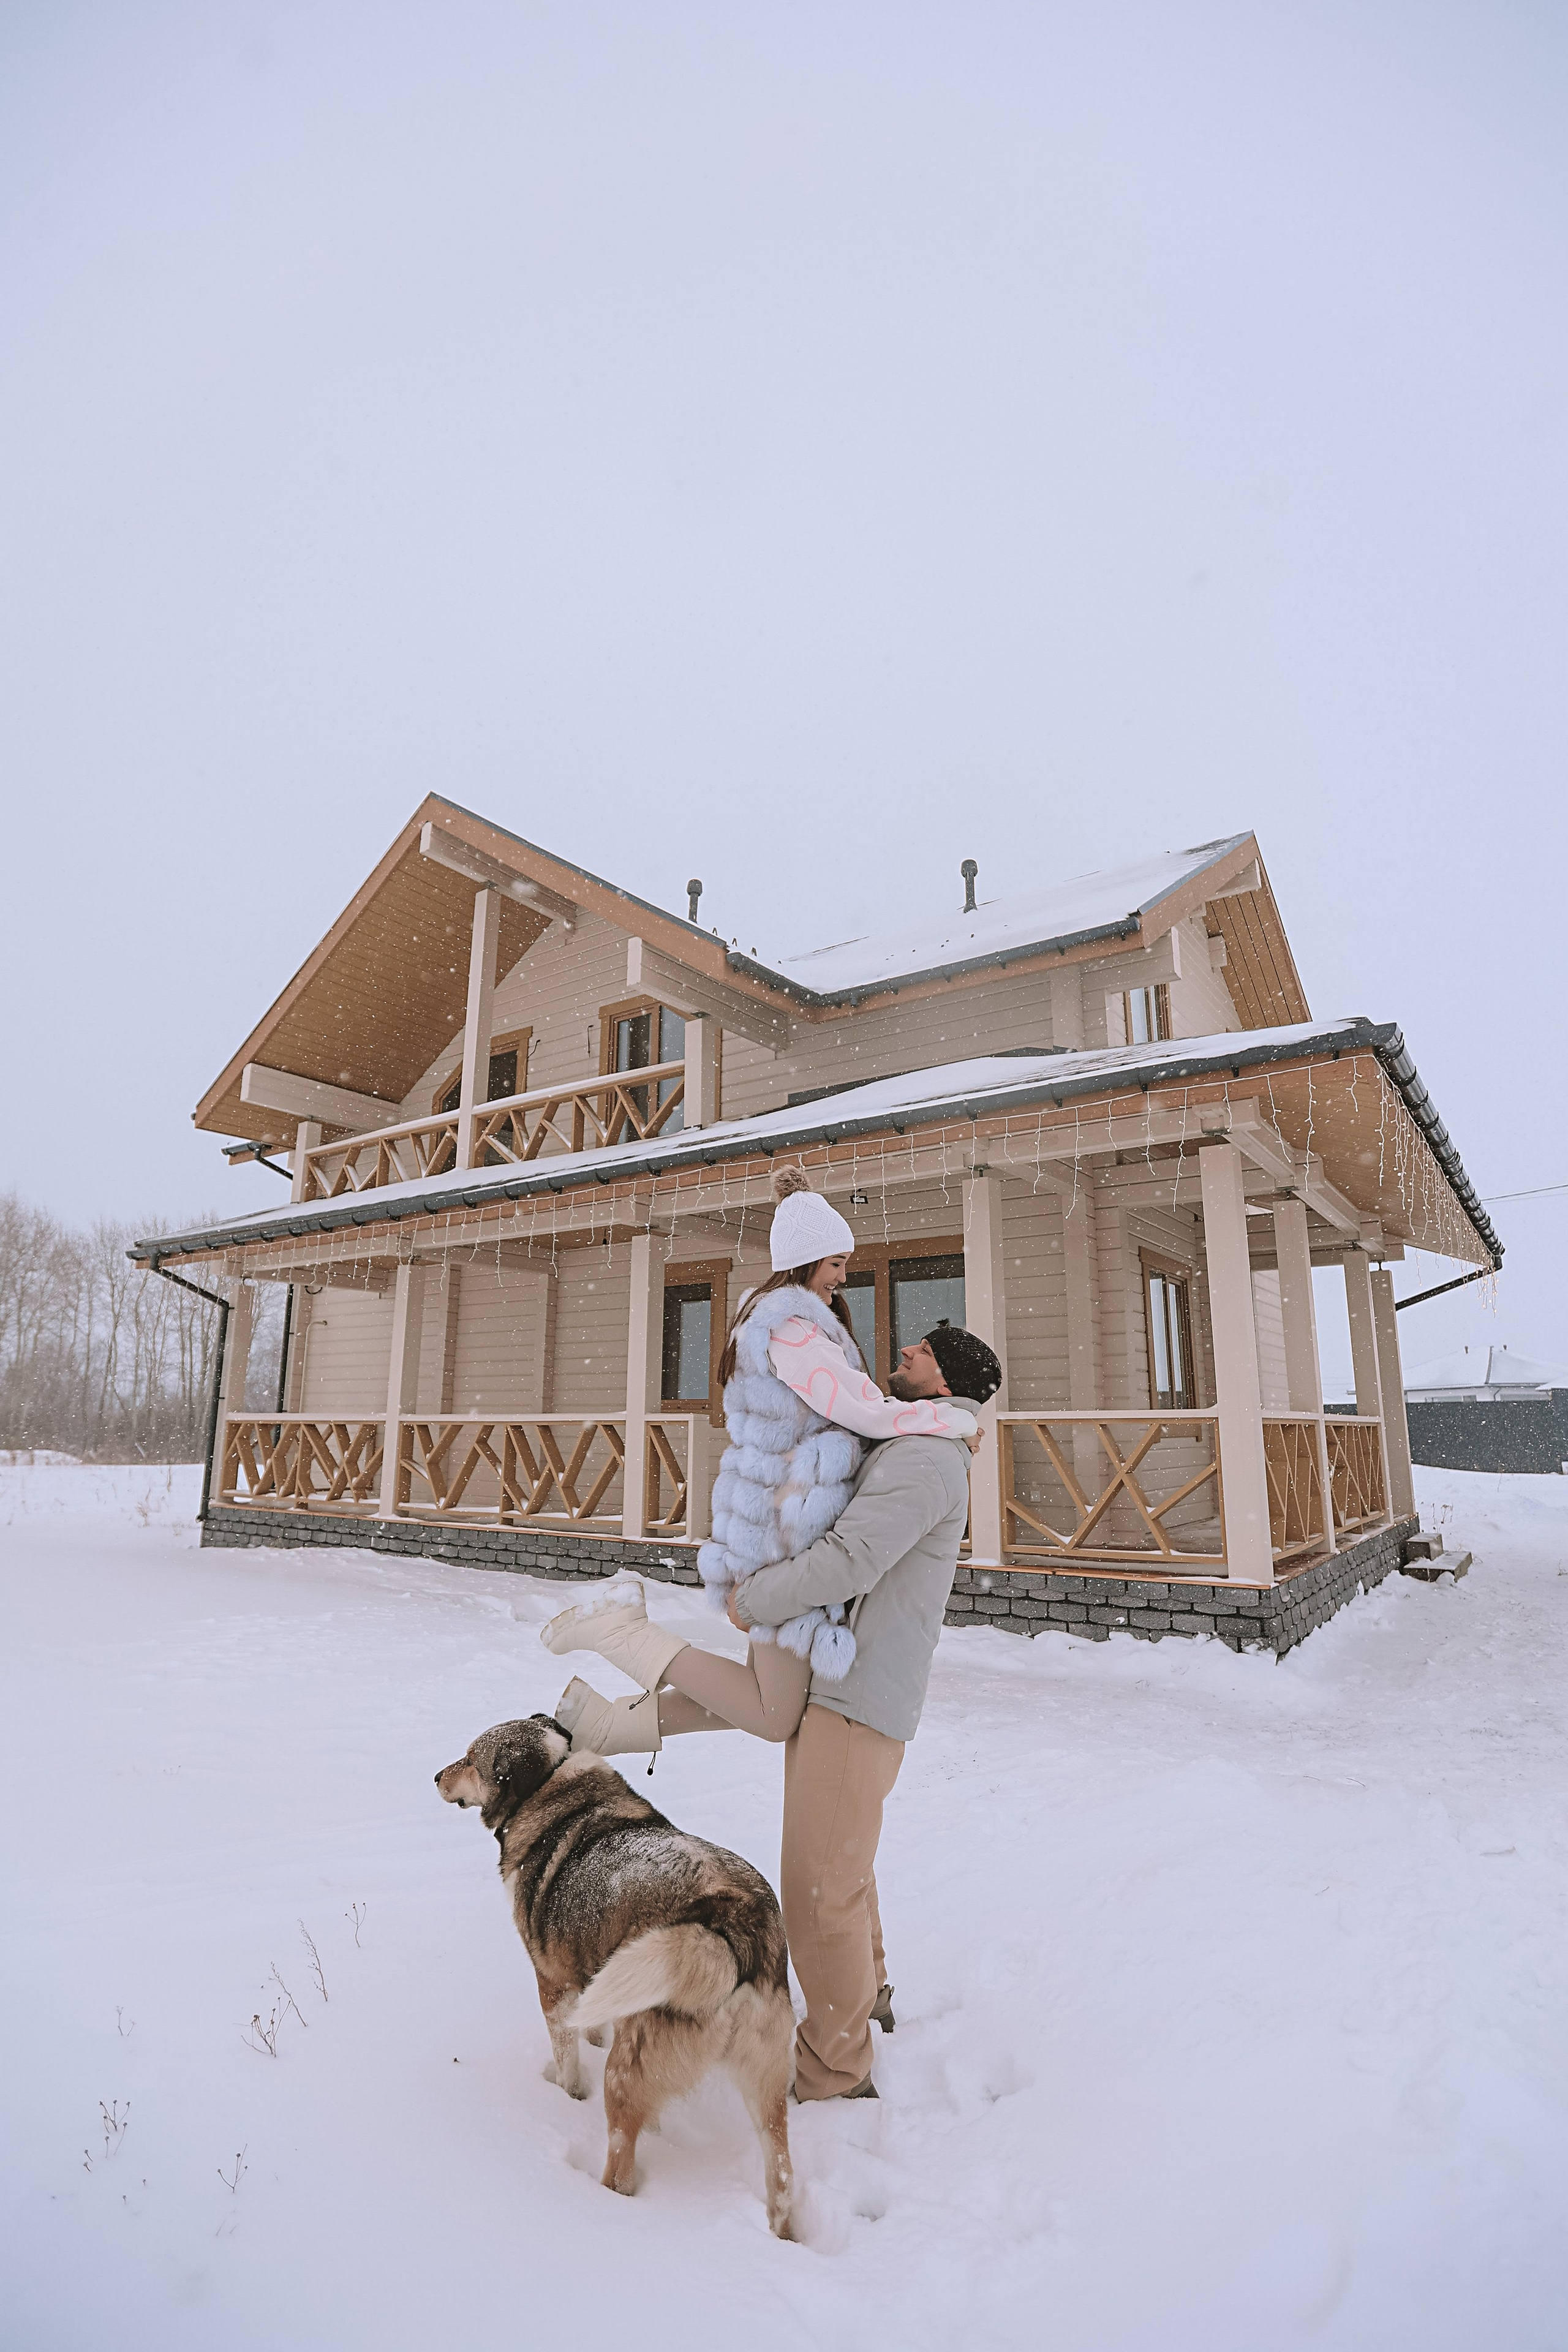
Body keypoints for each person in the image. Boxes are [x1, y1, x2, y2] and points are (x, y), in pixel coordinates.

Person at [542, 1164, 979, 1758]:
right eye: (835, 1263)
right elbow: (865, 1412)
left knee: (774, 1701)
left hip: (790, 1522)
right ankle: (625, 1635)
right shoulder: (791, 1332)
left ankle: (609, 1726)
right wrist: (947, 1417)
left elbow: (863, 1407)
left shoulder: (806, 1328)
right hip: (783, 1527)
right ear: (805, 1261)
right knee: (774, 1712)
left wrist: (933, 1422)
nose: (843, 1276)